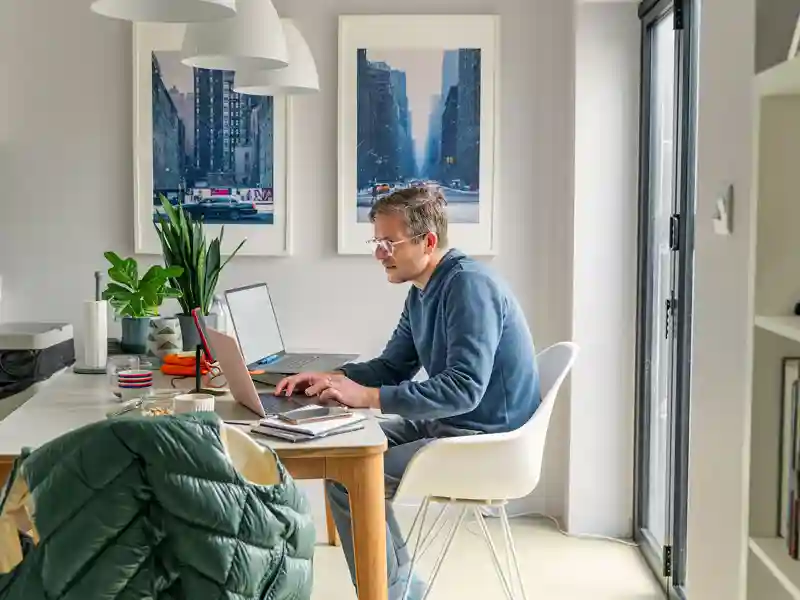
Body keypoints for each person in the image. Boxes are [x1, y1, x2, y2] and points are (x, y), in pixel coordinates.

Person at [274, 186, 540, 600]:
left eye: (388, 243)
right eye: (376, 242)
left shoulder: (467, 287)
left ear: (428, 241)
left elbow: (464, 389)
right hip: (451, 425)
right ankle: (400, 590)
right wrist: (333, 377)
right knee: (344, 455)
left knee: (351, 476)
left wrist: (366, 396)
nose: (379, 254)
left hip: (483, 440)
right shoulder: (423, 291)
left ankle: (394, 594)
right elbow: (392, 366)